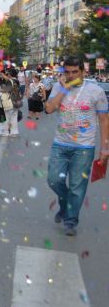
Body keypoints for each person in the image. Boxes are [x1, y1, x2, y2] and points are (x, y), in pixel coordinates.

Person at [44, 56, 109, 236]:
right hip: (60, 144)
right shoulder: (59, 87)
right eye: (68, 72)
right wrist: (63, 90)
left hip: (84, 147)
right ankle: (65, 205)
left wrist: (105, 148)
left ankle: (71, 220)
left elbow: (104, 121)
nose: (72, 75)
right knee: (53, 179)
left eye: (75, 72)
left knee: (77, 185)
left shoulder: (95, 91)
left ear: (83, 71)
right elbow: (49, 109)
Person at [0, 68, 22, 137]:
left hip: (9, 101)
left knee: (6, 117)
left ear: (10, 74)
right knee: (13, 117)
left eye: (7, 73)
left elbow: (7, 89)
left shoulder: (10, 81)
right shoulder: (16, 80)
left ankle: (5, 132)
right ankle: (14, 132)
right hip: (16, 100)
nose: (6, 74)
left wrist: (0, 89)